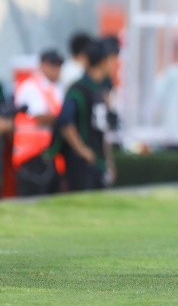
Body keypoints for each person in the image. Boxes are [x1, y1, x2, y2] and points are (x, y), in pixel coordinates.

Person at [49, 39, 117, 191]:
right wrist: (82, 150)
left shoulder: (102, 89)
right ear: (103, 61)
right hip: (81, 163)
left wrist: (109, 161)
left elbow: (105, 128)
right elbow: (65, 122)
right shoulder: (78, 89)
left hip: (99, 159)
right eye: (112, 60)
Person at [12, 49, 64, 195]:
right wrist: (64, 119)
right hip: (30, 153)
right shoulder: (30, 86)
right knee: (33, 195)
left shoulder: (55, 88)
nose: (56, 70)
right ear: (42, 65)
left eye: (58, 66)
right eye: (52, 65)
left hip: (50, 151)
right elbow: (40, 117)